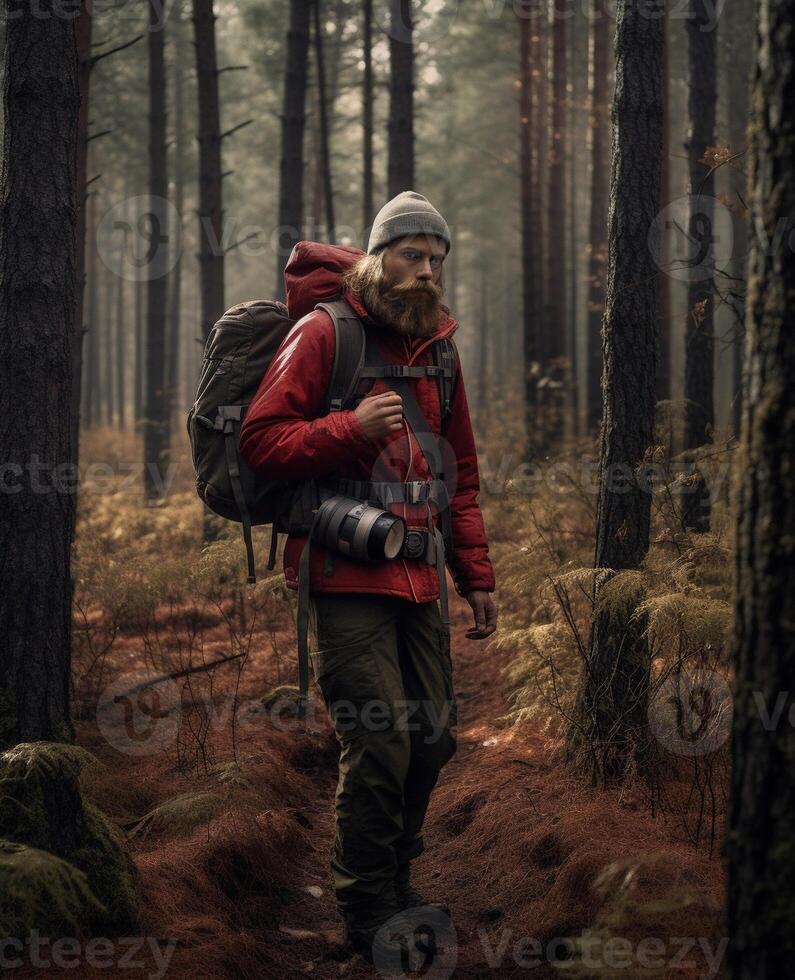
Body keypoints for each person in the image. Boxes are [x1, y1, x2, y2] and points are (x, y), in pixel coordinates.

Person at [239, 191, 498, 964]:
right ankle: (365, 906)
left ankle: (395, 878)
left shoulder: (439, 351)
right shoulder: (326, 333)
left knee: (432, 737)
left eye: (436, 261)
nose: (425, 272)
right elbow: (261, 440)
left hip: (421, 574)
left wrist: (475, 572)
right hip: (342, 571)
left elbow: (464, 476)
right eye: (412, 255)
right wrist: (348, 428)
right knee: (381, 739)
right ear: (377, 256)